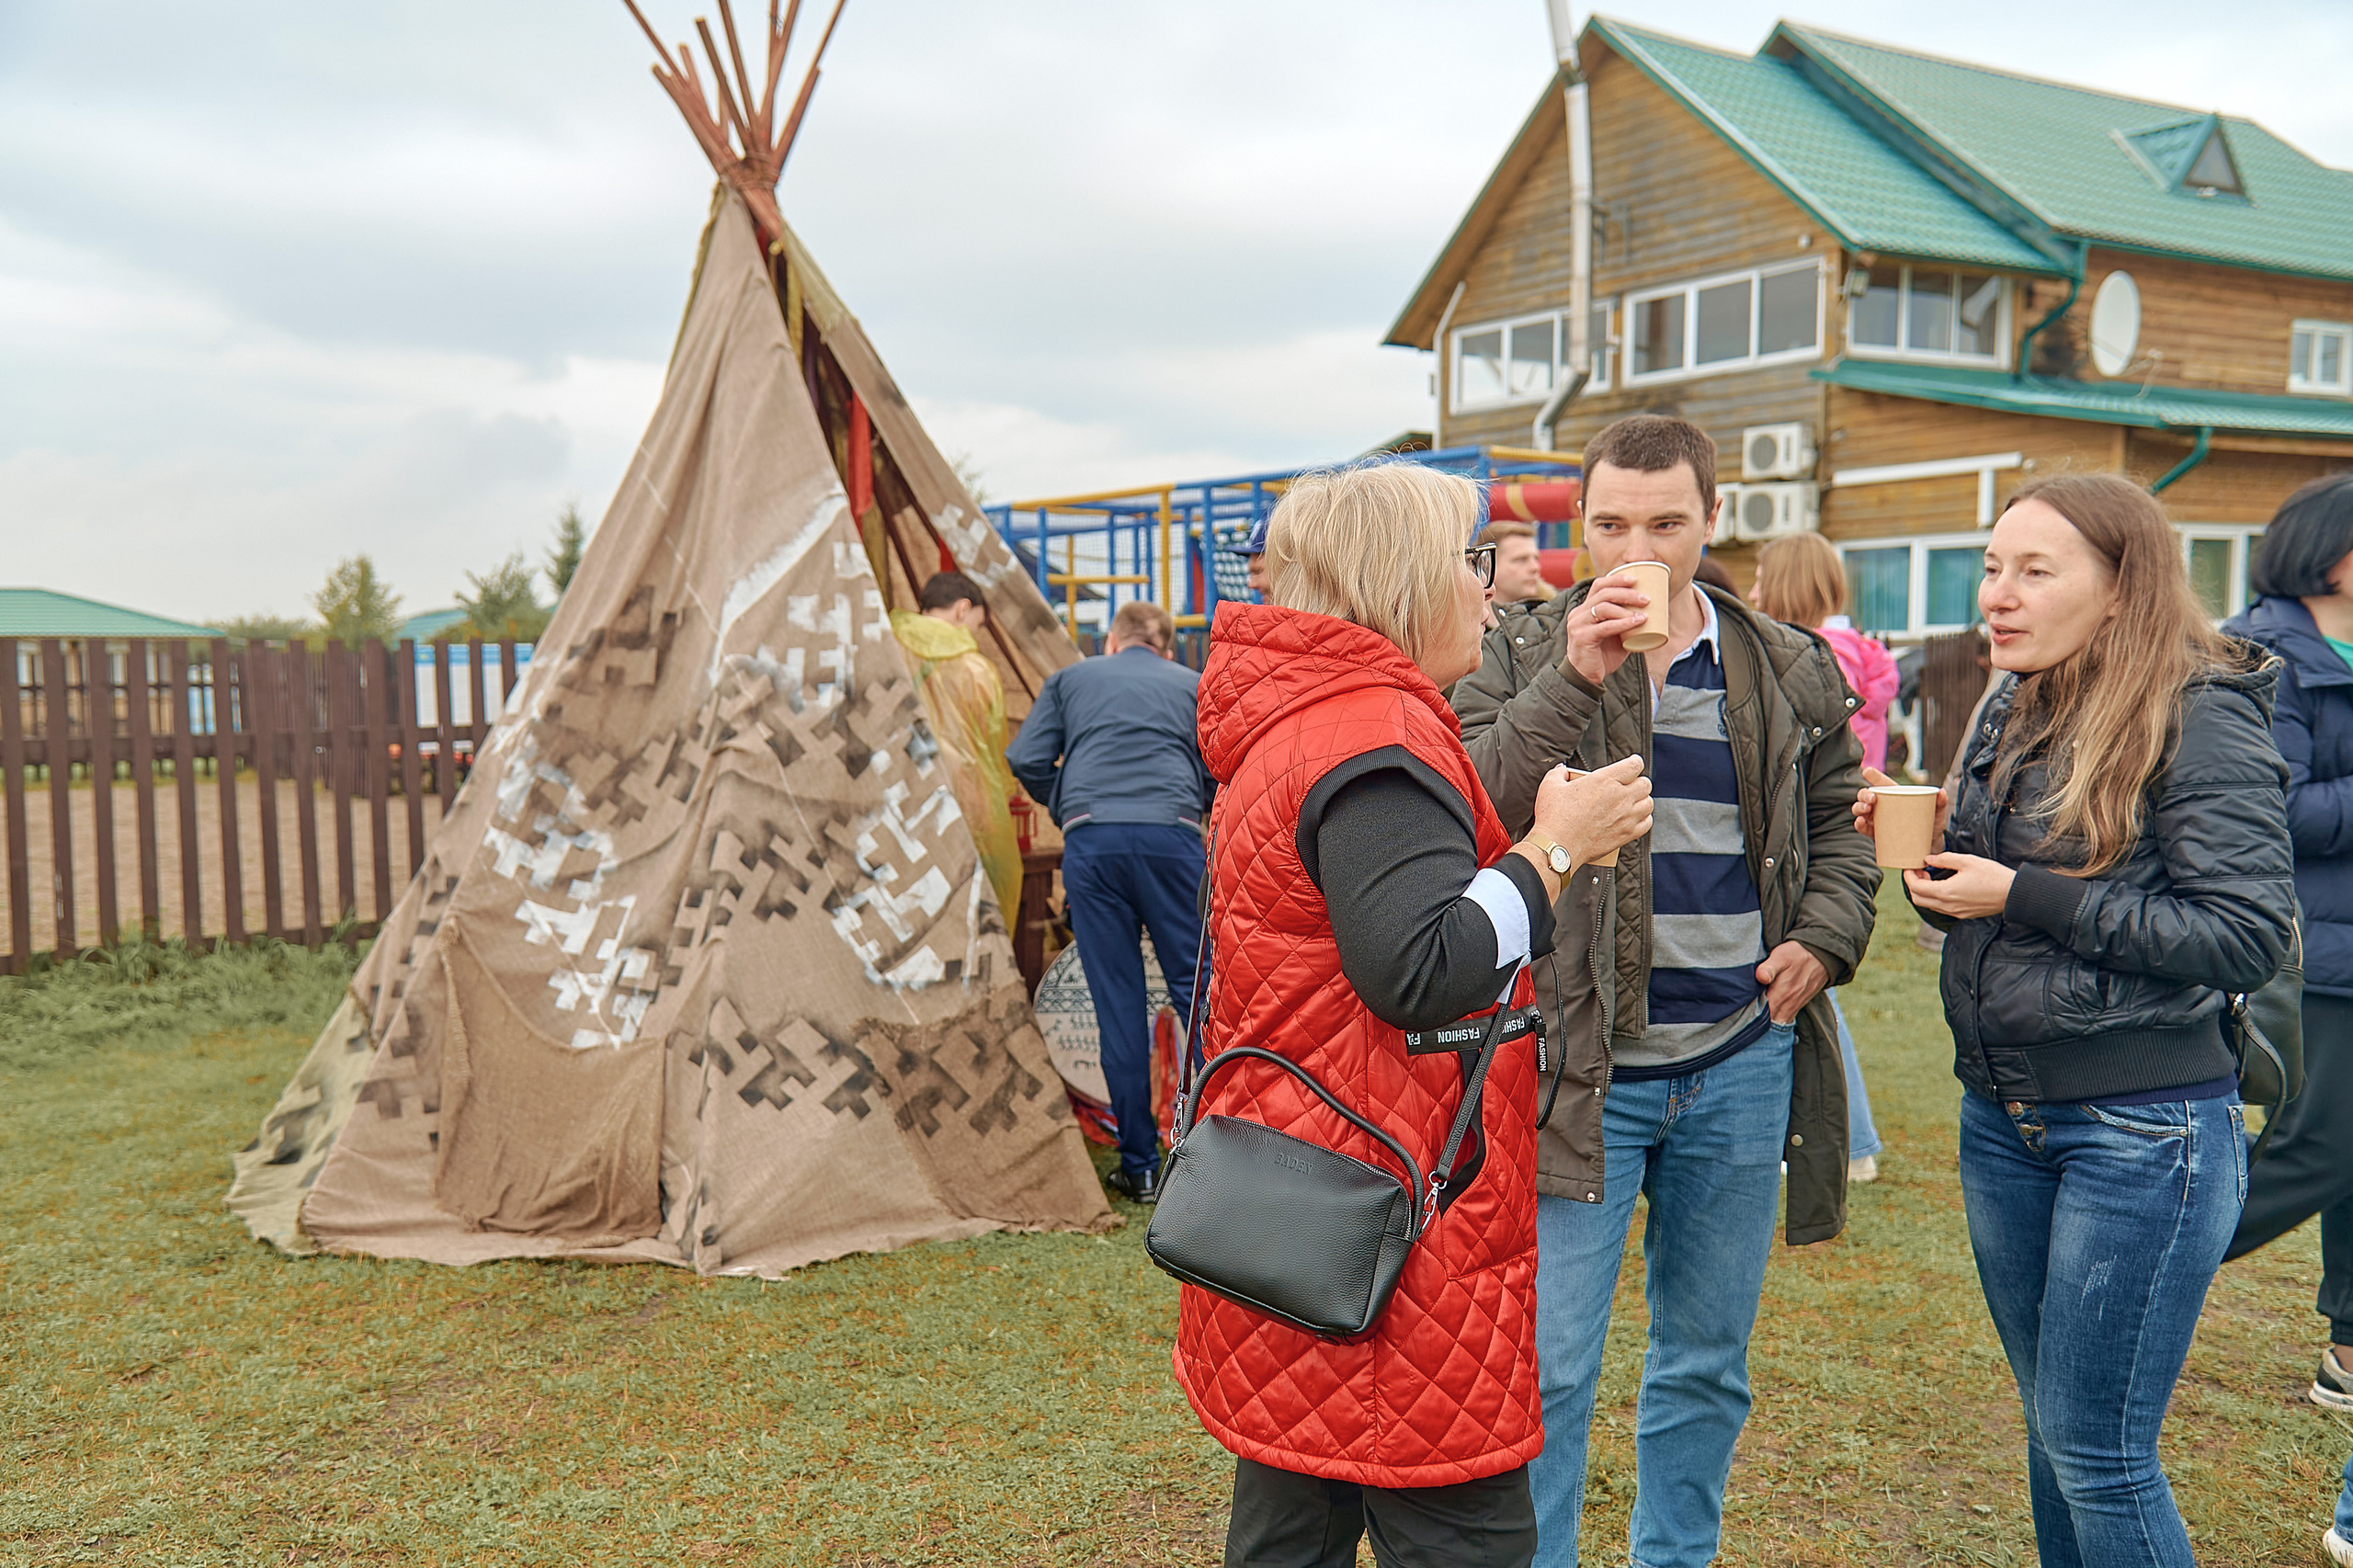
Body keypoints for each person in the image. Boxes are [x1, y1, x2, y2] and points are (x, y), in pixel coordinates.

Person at [1176, 461, 1654, 1568]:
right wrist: (1558, 844)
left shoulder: (1311, 720)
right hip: (1392, 1222)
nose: (1492, 590)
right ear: (1403, 581)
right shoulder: (1368, 736)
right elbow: (1422, 965)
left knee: (1290, 1527)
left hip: (1305, 1196)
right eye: (1471, 561)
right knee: (1460, 1532)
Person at [1452, 414, 1881, 1568]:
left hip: (1739, 1056)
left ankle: (1672, 1557)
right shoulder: (1521, 646)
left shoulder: (1786, 663)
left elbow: (1846, 833)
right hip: (1576, 1069)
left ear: (1711, 520)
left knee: (1704, 1357)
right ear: (1578, 524)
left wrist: (1825, 939)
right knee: (1549, 1363)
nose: (1634, 546)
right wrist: (1577, 666)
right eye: (1609, 523)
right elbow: (1474, 805)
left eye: (1664, 523)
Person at [1859, 472, 2295, 1568]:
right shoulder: (2018, 695)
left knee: (2098, 1451)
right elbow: (2010, 887)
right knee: (2057, 1436)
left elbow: (2246, 935)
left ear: (2119, 590)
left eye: (2033, 571)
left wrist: (2016, 894)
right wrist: (1934, 870)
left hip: (2142, 1130)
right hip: (2004, 1111)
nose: (1995, 596)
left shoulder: (2199, 711)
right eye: (1991, 568)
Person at [2218, 472, 2353, 1412]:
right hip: (2314, 948)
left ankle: (2347, 1349)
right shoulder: (2260, 650)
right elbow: (2271, 805)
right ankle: (2138, 1258)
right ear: (2333, 555)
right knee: (2317, 1144)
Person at [1005, 599, 1213, 1204]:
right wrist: (1190, 805)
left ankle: (1140, 1166)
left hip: (1093, 840)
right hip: (1173, 837)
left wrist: (1068, 805)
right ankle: (1219, 1155)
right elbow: (1216, 763)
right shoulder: (1191, 684)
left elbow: (1025, 757)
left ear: (1113, 643)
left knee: (1117, 1005)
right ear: (1167, 648)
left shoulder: (1071, 679)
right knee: (1197, 995)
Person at [1751, 530, 1899, 1183]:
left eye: (1760, 577)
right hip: (1855, 820)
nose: (1751, 591)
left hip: (1812, 832)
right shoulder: (1866, 652)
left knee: (1810, 991)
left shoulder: (1805, 660)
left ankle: (1848, 1142)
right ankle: (1853, 1142)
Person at [891, 572, 1023, 922]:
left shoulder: (884, 648)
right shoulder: (976, 670)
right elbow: (991, 752)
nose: (975, 636)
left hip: (895, 797)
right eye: (978, 625)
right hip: (965, 800)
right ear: (963, 610)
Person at [1479, 519, 1553, 627]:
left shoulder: (1551, 621)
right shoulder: (1464, 627)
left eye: (1535, 558)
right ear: (1487, 566)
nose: (1535, 568)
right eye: (1521, 559)